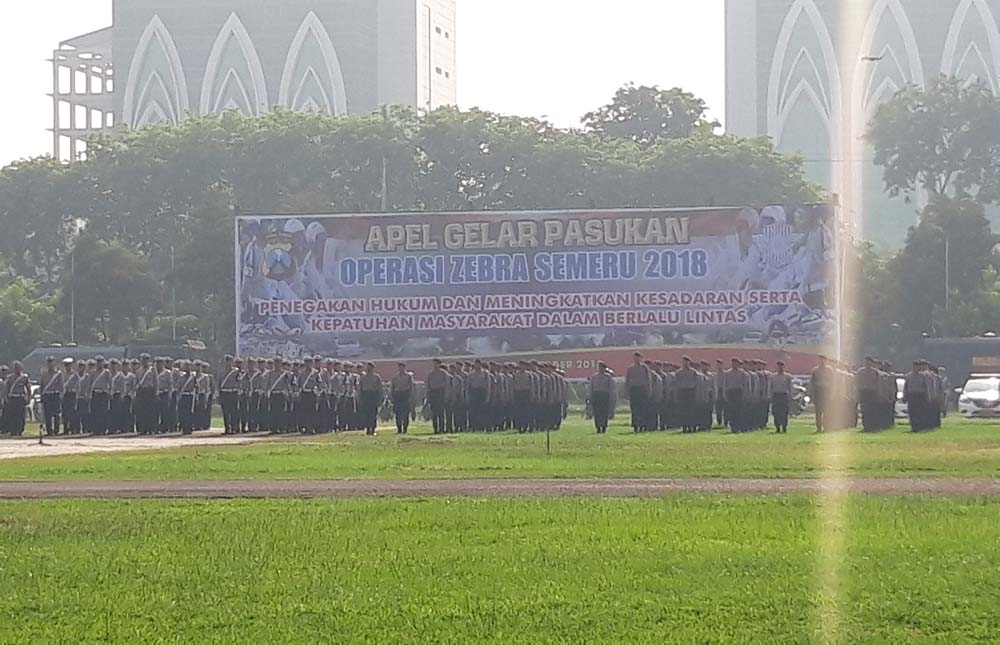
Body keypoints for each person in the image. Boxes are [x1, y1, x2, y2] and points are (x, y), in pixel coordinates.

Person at [2, 362, 30, 437]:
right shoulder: (10, 378)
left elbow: (28, 388)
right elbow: (6, 389)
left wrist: (28, 398)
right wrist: (6, 398)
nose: (17, 369)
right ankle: (13, 430)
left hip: (20, 398)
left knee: (21, 415)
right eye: (15, 368)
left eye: (18, 367)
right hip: (13, 398)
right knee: (12, 415)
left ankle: (20, 430)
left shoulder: (24, 377)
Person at [625, 353, 651, 433]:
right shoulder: (630, 368)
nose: (636, 359)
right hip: (634, 389)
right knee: (634, 408)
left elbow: (648, 380)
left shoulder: (644, 368)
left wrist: (649, 390)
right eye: (635, 358)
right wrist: (627, 391)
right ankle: (635, 425)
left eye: (638, 358)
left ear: (641, 358)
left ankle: (642, 425)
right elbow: (627, 380)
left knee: (642, 408)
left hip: (642, 389)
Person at [39, 356, 64, 436]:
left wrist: (61, 395)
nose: (50, 363)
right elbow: (42, 385)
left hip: (55, 394)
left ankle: (56, 431)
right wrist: (41, 396)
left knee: (56, 414)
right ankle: (49, 431)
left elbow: (61, 385)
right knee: (48, 415)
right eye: (49, 362)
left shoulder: (58, 374)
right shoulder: (44, 374)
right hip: (47, 395)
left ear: (54, 363)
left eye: (51, 361)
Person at [589, 362, 616, 434]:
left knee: (604, 412)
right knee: (597, 412)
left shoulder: (608, 377)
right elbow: (591, 387)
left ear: (604, 368)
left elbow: (611, 388)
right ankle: (598, 426)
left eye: (602, 367)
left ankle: (604, 426)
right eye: (599, 367)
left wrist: (611, 397)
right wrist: (590, 396)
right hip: (596, 395)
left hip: (604, 395)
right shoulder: (594, 377)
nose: (600, 369)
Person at [903, 361, 930, 432]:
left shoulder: (922, 376)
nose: (916, 368)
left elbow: (926, 386)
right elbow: (905, 387)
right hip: (911, 395)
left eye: (917, 366)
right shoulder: (908, 376)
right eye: (915, 366)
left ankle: (920, 426)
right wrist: (904, 396)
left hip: (920, 395)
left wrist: (927, 396)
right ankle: (913, 426)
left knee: (920, 411)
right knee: (912, 411)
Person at [358, 362, 383, 436]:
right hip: (365, 395)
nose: (368, 369)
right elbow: (360, 388)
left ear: (373, 368)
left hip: (373, 396)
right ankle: (368, 428)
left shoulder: (376, 377)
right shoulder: (363, 377)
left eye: (370, 367)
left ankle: (373, 428)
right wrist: (360, 398)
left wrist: (379, 398)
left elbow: (380, 389)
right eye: (367, 367)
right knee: (366, 414)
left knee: (373, 414)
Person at [390, 362, 415, 434]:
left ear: (404, 368)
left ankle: (405, 428)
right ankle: (399, 428)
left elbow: (411, 387)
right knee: (398, 413)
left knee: (405, 413)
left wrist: (411, 396)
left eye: (402, 367)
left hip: (405, 395)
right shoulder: (395, 377)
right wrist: (392, 396)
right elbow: (392, 387)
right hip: (398, 395)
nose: (400, 369)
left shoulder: (408, 377)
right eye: (399, 367)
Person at [810, 355, 832, 432]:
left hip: (826, 391)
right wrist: (812, 394)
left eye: (823, 359)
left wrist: (832, 393)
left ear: (825, 360)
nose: (821, 361)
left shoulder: (829, 370)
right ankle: (819, 427)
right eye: (820, 359)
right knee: (818, 412)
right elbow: (812, 383)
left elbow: (833, 382)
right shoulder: (815, 370)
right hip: (818, 392)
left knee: (827, 411)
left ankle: (827, 426)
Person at [770, 361, 793, 433]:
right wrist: (770, 396)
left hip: (784, 396)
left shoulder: (788, 376)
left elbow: (790, 387)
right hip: (776, 395)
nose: (780, 367)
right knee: (776, 412)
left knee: (784, 412)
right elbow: (770, 387)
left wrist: (790, 396)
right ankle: (777, 427)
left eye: (781, 366)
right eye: (778, 366)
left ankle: (784, 427)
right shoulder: (773, 376)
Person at [62, 358, 80, 435]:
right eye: (66, 365)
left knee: (72, 412)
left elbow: (78, 385)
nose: (67, 367)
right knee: (65, 412)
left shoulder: (74, 374)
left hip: (72, 393)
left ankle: (73, 429)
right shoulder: (63, 374)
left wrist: (77, 394)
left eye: (68, 365)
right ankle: (65, 429)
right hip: (65, 394)